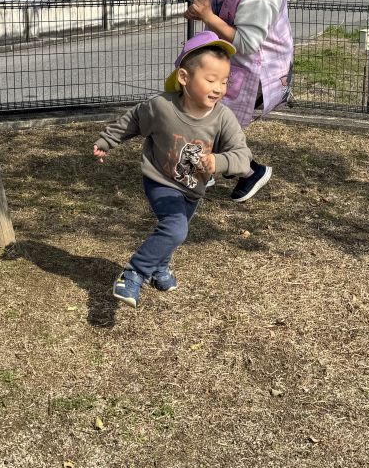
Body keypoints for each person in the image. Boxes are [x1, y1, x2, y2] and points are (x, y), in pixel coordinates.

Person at [93, 31, 252, 308]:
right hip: (160, 179)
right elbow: (133, 119)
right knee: (176, 228)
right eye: (211, 80)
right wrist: (108, 140)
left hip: (193, 187)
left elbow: (243, 156)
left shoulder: (223, 117)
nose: (218, 88)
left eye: (224, 81)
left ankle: (159, 269)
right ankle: (134, 273)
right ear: (184, 78)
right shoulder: (162, 107)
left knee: (174, 228)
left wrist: (220, 162)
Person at [184, 0, 294, 203]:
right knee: (202, 110)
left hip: (259, 70)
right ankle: (214, 172)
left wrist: (208, 16)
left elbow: (247, 42)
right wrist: (203, 11)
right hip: (231, 61)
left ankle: (243, 170)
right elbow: (222, 3)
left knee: (212, 117)